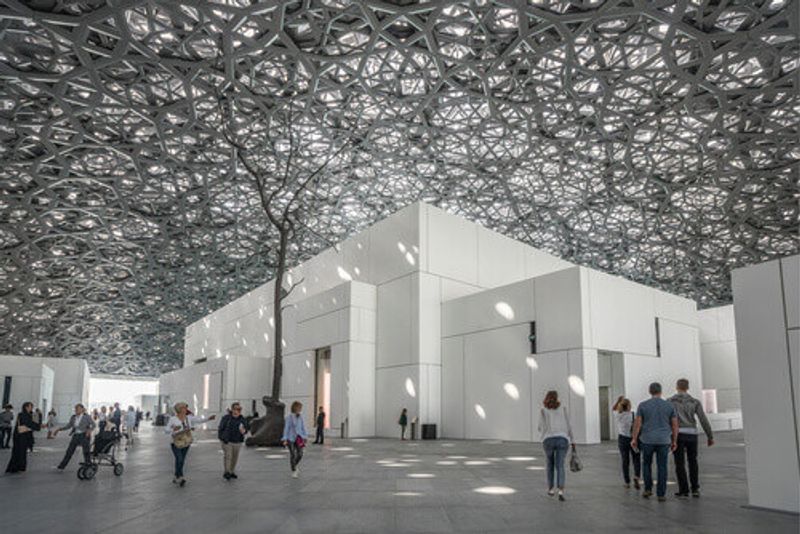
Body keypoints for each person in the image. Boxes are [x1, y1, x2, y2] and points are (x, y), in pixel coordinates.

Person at [632, 382, 678, 502]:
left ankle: (648, 489)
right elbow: (674, 425)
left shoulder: (643, 405)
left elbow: (638, 424)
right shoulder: (669, 406)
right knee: (662, 466)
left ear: (650, 391)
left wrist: (634, 438)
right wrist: (674, 440)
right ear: (661, 391)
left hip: (647, 440)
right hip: (664, 440)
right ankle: (661, 494)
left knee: (646, 464)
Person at [670, 378, 714, 498]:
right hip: (692, 435)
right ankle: (695, 489)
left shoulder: (670, 401)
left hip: (678, 434)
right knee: (693, 461)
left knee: (679, 463)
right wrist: (710, 436)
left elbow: (667, 419)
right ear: (687, 387)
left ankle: (683, 490)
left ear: (677, 387)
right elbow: (703, 419)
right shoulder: (695, 402)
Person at [165, 402, 215, 486]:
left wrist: (208, 418)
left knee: (181, 460)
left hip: (186, 441)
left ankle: (176, 476)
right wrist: (173, 429)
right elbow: (166, 430)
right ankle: (180, 476)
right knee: (179, 459)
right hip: (175, 442)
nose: (186, 409)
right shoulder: (173, 419)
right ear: (179, 409)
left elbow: (199, 420)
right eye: (184, 408)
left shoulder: (189, 418)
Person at [538, 390, 574, 501]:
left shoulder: (543, 410)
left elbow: (540, 427)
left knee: (550, 465)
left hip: (548, 440)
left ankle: (550, 489)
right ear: (557, 397)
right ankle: (561, 491)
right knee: (560, 465)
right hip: (562, 439)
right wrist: (572, 440)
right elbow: (569, 425)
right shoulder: (563, 408)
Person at [54, 403, 95, 471]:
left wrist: (89, 431)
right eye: (75, 409)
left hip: (84, 435)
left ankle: (88, 465)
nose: (76, 410)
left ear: (82, 409)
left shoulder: (87, 417)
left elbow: (93, 425)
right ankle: (61, 466)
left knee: (86, 452)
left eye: (78, 408)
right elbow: (69, 426)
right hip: (76, 435)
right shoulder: (73, 417)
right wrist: (59, 429)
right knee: (69, 451)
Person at [612, 396, 641, 489]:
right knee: (636, 459)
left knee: (625, 460)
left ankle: (627, 482)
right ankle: (636, 476)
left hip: (622, 439)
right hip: (634, 439)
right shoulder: (634, 414)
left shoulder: (618, 415)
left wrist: (618, 401)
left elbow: (613, 408)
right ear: (629, 406)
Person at [5, 402, 40, 473]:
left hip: (24, 436)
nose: (31, 408)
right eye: (30, 406)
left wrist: (37, 416)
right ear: (26, 407)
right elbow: (30, 424)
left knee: (22, 452)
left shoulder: (31, 415)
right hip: (20, 436)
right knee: (18, 451)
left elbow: (37, 425)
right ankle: (16, 467)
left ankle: (20, 467)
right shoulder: (23, 415)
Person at [217, 402, 249, 480]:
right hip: (227, 441)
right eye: (235, 409)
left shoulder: (242, 419)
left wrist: (243, 431)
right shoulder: (226, 418)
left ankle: (231, 471)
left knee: (235, 457)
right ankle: (227, 472)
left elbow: (246, 429)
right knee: (228, 456)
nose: (236, 411)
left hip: (237, 441)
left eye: (238, 409)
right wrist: (222, 438)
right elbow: (221, 428)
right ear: (232, 409)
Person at [281, 401, 308, 478]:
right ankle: (294, 470)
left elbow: (303, 427)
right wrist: (285, 438)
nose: (300, 409)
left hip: (299, 438)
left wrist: (305, 436)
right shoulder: (288, 417)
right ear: (295, 407)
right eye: (299, 407)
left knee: (300, 454)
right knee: (293, 454)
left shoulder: (301, 417)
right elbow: (286, 428)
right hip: (290, 438)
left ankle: (294, 465)